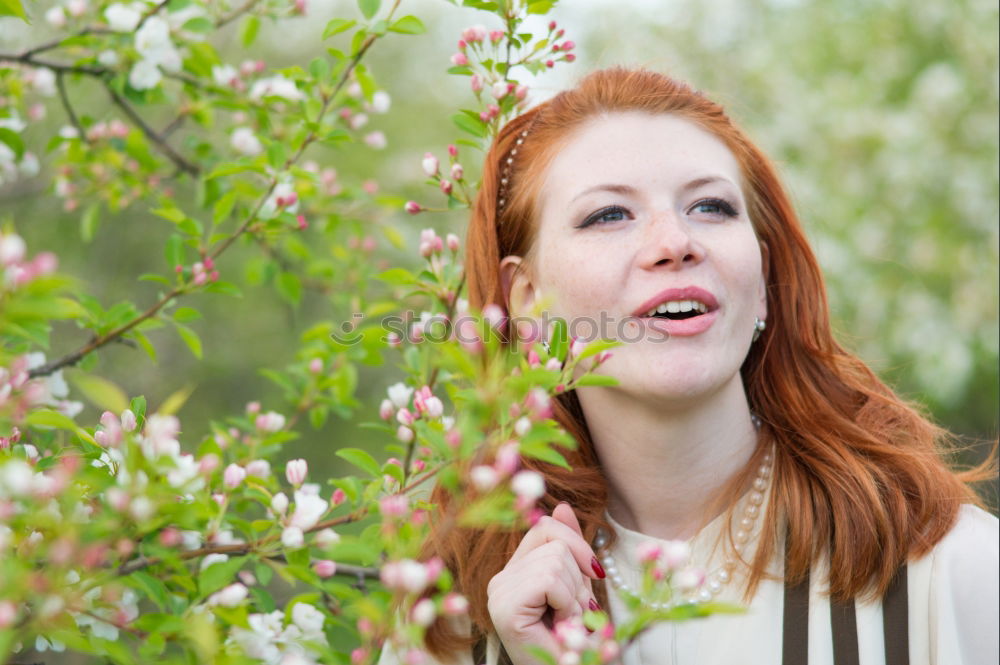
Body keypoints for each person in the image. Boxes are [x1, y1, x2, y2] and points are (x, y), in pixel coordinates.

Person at [379, 67, 999, 665]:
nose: (675, 242)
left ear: (760, 282)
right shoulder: (452, 618)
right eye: (608, 215)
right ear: (526, 302)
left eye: (710, 207)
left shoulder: (947, 569)